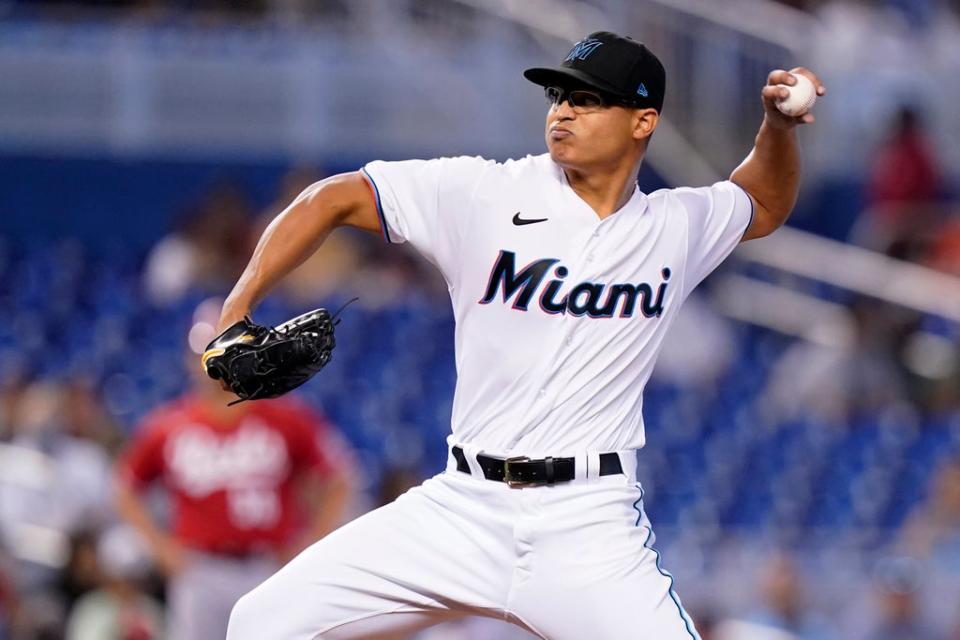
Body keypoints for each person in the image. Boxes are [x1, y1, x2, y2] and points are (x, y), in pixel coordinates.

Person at [216, 31, 824, 639]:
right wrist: (235, 308)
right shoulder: (485, 192)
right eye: (558, 95)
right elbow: (335, 197)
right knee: (260, 624)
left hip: (587, 525)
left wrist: (777, 129)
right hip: (460, 509)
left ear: (643, 121)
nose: (562, 109)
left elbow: (761, 202)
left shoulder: (674, 225)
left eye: (587, 100)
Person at [115, 306, 353, 640]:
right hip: (201, 568)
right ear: (189, 358)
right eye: (206, 352)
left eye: (228, 352)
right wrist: (161, 548)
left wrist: (309, 545)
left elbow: (338, 477)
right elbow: (125, 486)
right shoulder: (168, 426)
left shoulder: (285, 417)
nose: (216, 365)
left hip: (268, 566)